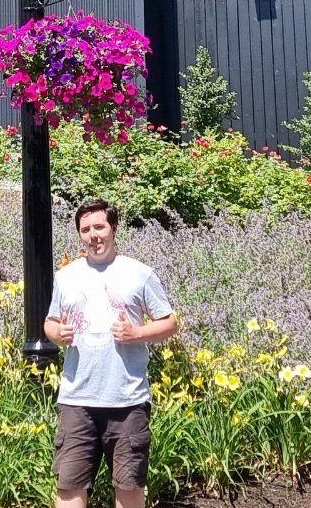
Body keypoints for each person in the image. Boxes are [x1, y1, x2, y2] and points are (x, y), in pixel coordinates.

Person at [44, 197, 179, 508]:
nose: (94, 235)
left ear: (113, 228)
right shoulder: (67, 276)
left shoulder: (140, 274)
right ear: (79, 234)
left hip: (127, 400)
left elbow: (169, 323)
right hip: (77, 400)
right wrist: (57, 334)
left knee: (129, 487)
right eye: (86, 229)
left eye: (99, 227)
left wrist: (137, 333)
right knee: (69, 487)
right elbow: (50, 322)